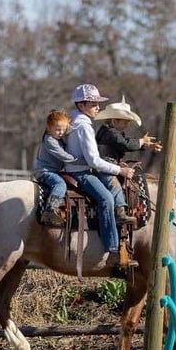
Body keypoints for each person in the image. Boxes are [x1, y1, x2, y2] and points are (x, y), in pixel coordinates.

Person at [64, 84, 136, 264]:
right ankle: (112, 248)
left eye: (98, 103)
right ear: (81, 105)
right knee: (106, 200)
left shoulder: (74, 120)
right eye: (93, 104)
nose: (98, 107)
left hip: (74, 168)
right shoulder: (84, 127)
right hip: (80, 171)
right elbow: (94, 161)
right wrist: (121, 170)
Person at [32, 109, 76, 227]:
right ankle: (50, 209)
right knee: (60, 184)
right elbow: (63, 155)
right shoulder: (50, 140)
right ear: (48, 128)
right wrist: (80, 160)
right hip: (44, 171)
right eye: (57, 129)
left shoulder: (59, 139)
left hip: (52, 170)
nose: (61, 132)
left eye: (64, 129)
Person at [95, 95, 163, 164]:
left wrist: (145, 144)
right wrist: (142, 141)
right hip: (105, 170)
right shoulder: (111, 133)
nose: (126, 126)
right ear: (114, 121)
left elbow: (124, 143)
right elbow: (125, 144)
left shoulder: (110, 132)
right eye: (125, 123)